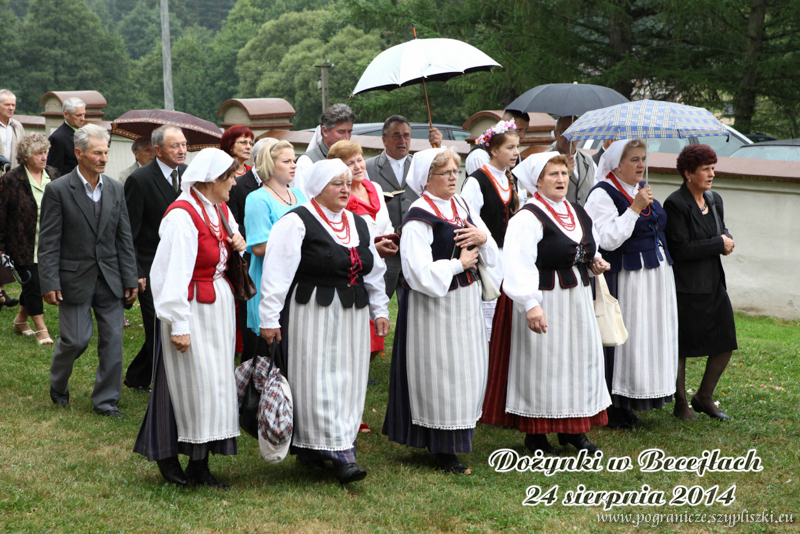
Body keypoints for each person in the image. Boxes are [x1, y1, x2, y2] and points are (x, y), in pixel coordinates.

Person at [259, 159, 390, 484]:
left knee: (350, 378)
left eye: (348, 183)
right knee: (315, 379)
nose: (346, 189)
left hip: (353, 314)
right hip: (312, 312)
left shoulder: (360, 223)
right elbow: (276, 274)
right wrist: (269, 318)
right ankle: (340, 454)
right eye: (337, 183)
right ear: (318, 188)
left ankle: (330, 444)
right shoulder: (297, 222)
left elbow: (372, 272)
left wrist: (380, 309)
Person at [482, 152, 611, 454]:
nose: (561, 179)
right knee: (543, 364)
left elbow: (583, 247)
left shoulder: (576, 211)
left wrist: (593, 261)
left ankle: (573, 429)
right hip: (545, 298)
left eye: (564, 174)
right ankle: (536, 432)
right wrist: (531, 304)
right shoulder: (528, 217)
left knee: (578, 361)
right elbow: (517, 263)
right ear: (537, 181)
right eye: (553, 174)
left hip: (576, 298)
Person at [134, 148, 245, 488]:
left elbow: (225, 254)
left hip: (217, 307)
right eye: (229, 176)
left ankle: (201, 463)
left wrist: (238, 242)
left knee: (214, 385)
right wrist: (178, 325)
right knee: (191, 384)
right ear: (210, 180)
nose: (234, 181)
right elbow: (169, 274)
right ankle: (169, 454)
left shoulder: (219, 209)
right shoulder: (182, 216)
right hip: (190, 308)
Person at [383, 147, 498, 473]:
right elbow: (416, 271)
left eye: (455, 170)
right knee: (441, 372)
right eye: (445, 172)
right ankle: (441, 445)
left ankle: (458, 434)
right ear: (426, 178)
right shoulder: (419, 216)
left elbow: (482, 242)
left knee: (465, 369)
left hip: (465, 301)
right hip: (435, 307)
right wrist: (456, 265)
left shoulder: (459, 204)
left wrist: (482, 237)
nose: (453, 177)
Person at [38, 124, 138, 416]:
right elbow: (48, 242)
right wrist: (49, 282)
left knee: (113, 342)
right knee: (76, 339)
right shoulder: (57, 190)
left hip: (111, 279)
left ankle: (106, 402)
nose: (104, 158)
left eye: (106, 152)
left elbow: (124, 238)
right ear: (79, 153)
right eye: (97, 153)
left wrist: (130, 277)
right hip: (72, 278)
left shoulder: (116, 189)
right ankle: (58, 384)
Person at [584, 138, 678, 429]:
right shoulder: (602, 194)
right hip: (626, 276)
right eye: (634, 159)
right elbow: (607, 239)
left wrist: (639, 202)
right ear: (617, 164)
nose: (641, 165)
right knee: (625, 335)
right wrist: (635, 208)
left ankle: (634, 398)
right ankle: (614, 403)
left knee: (647, 334)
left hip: (655, 274)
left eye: (643, 158)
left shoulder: (639, 190)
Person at [665, 145, 737, 421]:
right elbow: (681, 249)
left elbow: (721, 229)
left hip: (714, 283)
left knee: (725, 341)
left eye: (713, 168)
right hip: (686, 287)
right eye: (705, 169)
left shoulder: (714, 199)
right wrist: (718, 243)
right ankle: (681, 403)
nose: (711, 174)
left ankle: (704, 397)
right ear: (688, 173)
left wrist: (725, 239)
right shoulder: (676, 204)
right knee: (681, 346)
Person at [122, 125, 187, 393]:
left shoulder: (188, 175)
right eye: (175, 146)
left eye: (184, 144)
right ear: (157, 150)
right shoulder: (140, 180)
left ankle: (137, 375)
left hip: (181, 263)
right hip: (150, 267)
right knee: (156, 326)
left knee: (172, 322)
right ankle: (160, 382)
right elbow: (130, 232)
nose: (182, 150)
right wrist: (136, 271)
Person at [328, 139, 397, 363]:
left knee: (377, 311)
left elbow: (384, 223)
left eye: (359, 160)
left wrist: (389, 238)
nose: (358, 166)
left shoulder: (374, 187)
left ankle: (367, 362)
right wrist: (372, 249)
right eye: (350, 163)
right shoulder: (339, 197)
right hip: (354, 266)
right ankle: (354, 362)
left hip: (380, 262)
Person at [365, 115, 443, 299]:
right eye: (396, 136)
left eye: (407, 135)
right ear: (384, 139)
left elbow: (441, 175)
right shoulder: (369, 168)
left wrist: (437, 147)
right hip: (386, 250)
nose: (403, 140)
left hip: (414, 249)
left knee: (412, 307)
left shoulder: (421, 166)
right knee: (378, 303)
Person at [244, 139, 307, 349]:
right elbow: (259, 247)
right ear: (270, 165)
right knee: (269, 350)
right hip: (269, 277)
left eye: (294, 160)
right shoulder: (257, 198)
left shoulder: (298, 194)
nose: (294, 165)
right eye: (287, 161)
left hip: (298, 276)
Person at [461, 119, 520, 337]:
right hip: (489, 261)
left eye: (517, 147)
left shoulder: (511, 178)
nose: (516, 152)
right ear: (494, 150)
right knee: (490, 322)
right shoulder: (477, 181)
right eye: (510, 147)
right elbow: (467, 218)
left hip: (510, 258)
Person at [0, 133, 60, 344]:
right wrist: (1, 246)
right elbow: (2, 214)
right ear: (25, 156)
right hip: (22, 243)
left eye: (45, 152)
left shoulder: (53, 174)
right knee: (33, 283)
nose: (44, 157)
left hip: (49, 242)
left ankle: (20, 320)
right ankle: (41, 329)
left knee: (33, 283)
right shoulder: (11, 179)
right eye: (38, 154)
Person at [227, 137, 274, 363]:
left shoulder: (289, 189)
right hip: (248, 259)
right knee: (252, 315)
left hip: (276, 262)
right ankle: (251, 364)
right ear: (259, 159)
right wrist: (263, 229)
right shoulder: (239, 186)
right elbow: (233, 223)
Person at [294, 104, 357, 191]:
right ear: (325, 131)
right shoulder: (306, 162)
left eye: (349, 132)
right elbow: (303, 200)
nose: (347, 137)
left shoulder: (355, 160)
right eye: (341, 132)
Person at [464, 109, 529, 175]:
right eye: (519, 130)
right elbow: (484, 182)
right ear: (505, 125)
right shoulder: (479, 155)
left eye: (525, 130)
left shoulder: (515, 156)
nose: (523, 135)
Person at [553, 115, 597, 206]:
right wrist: (565, 172)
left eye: (574, 132)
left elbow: (596, 192)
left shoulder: (588, 160)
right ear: (555, 134)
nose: (569, 137)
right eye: (564, 131)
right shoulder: (545, 159)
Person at [46, 97, 86, 176]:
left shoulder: (85, 133)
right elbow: (54, 171)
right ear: (66, 114)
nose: (82, 119)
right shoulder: (58, 138)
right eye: (78, 115)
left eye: (84, 114)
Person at [0, 89, 25, 172]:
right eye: (7, 105)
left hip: (13, 176)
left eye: (13, 105)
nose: (11, 108)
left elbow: (24, 151)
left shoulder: (18, 126)